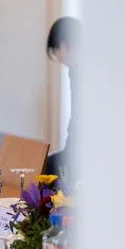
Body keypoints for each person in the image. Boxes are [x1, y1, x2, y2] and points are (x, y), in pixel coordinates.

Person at [46, 17, 79, 178]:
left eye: (55, 51)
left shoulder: (80, 70)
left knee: (46, 169)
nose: (59, 58)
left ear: (63, 45)